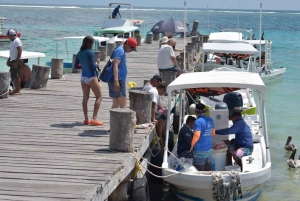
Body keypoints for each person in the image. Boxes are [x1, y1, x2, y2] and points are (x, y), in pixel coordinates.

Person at [75, 36, 103, 126]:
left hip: (83, 78)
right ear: (90, 43)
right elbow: (92, 66)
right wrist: (96, 64)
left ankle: (86, 119)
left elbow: (76, 66)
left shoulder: (79, 53)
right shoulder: (90, 52)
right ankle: (94, 119)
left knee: (85, 98)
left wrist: (83, 65)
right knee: (99, 97)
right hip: (91, 77)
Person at [108, 37, 137, 109]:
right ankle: (123, 120)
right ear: (127, 44)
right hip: (118, 79)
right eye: (131, 48)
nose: (131, 51)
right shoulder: (120, 50)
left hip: (115, 78)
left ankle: (113, 120)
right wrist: (116, 81)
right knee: (123, 103)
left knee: (116, 103)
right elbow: (115, 65)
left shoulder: (120, 49)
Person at [190, 102, 215, 171]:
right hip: (209, 150)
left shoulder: (198, 122)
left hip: (200, 151)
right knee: (209, 169)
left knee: (200, 171)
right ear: (205, 111)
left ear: (195, 111)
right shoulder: (210, 119)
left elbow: (197, 135)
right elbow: (213, 133)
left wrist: (191, 146)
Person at [149, 82, 167, 147]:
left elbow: (157, 103)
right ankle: (160, 137)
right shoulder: (155, 93)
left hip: (153, 111)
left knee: (164, 117)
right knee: (162, 120)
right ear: (161, 89)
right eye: (163, 92)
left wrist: (162, 108)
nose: (162, 94)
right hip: (149, 113)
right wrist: (153, 118)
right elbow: (153, 106)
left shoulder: (155, 90)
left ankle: (163, 134)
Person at [6, 28, 23, 95]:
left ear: (13, 35)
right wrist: (9, 60)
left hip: (17, 60)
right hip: (13, 60)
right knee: (13, 75)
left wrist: (16, 61)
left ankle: (18, 90)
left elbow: (20, 51)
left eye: (9, 35)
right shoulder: (12, 41)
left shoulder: (16, 41)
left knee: (16, 75)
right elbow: (12, 52)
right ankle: (15, 89)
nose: (8, 37)